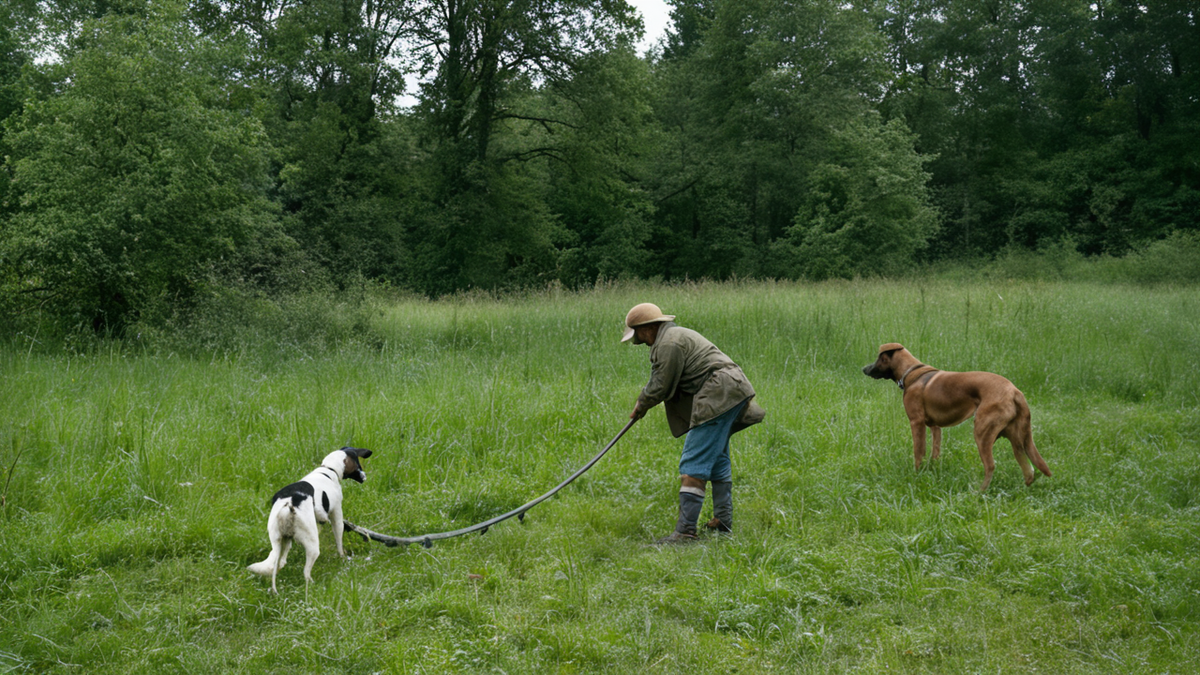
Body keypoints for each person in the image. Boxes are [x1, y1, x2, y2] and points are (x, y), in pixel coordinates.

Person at [623, 302, 765, 544]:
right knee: (717, 459)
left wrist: (642, 403)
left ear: (647, 328)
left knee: (693, 463)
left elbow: (660, 384)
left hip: (719, 393)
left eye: (638, 335)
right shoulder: (674, 336)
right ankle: (722, 521)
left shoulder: (668, 342)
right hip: (731, 390)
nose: (639, 341)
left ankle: (686, 532)